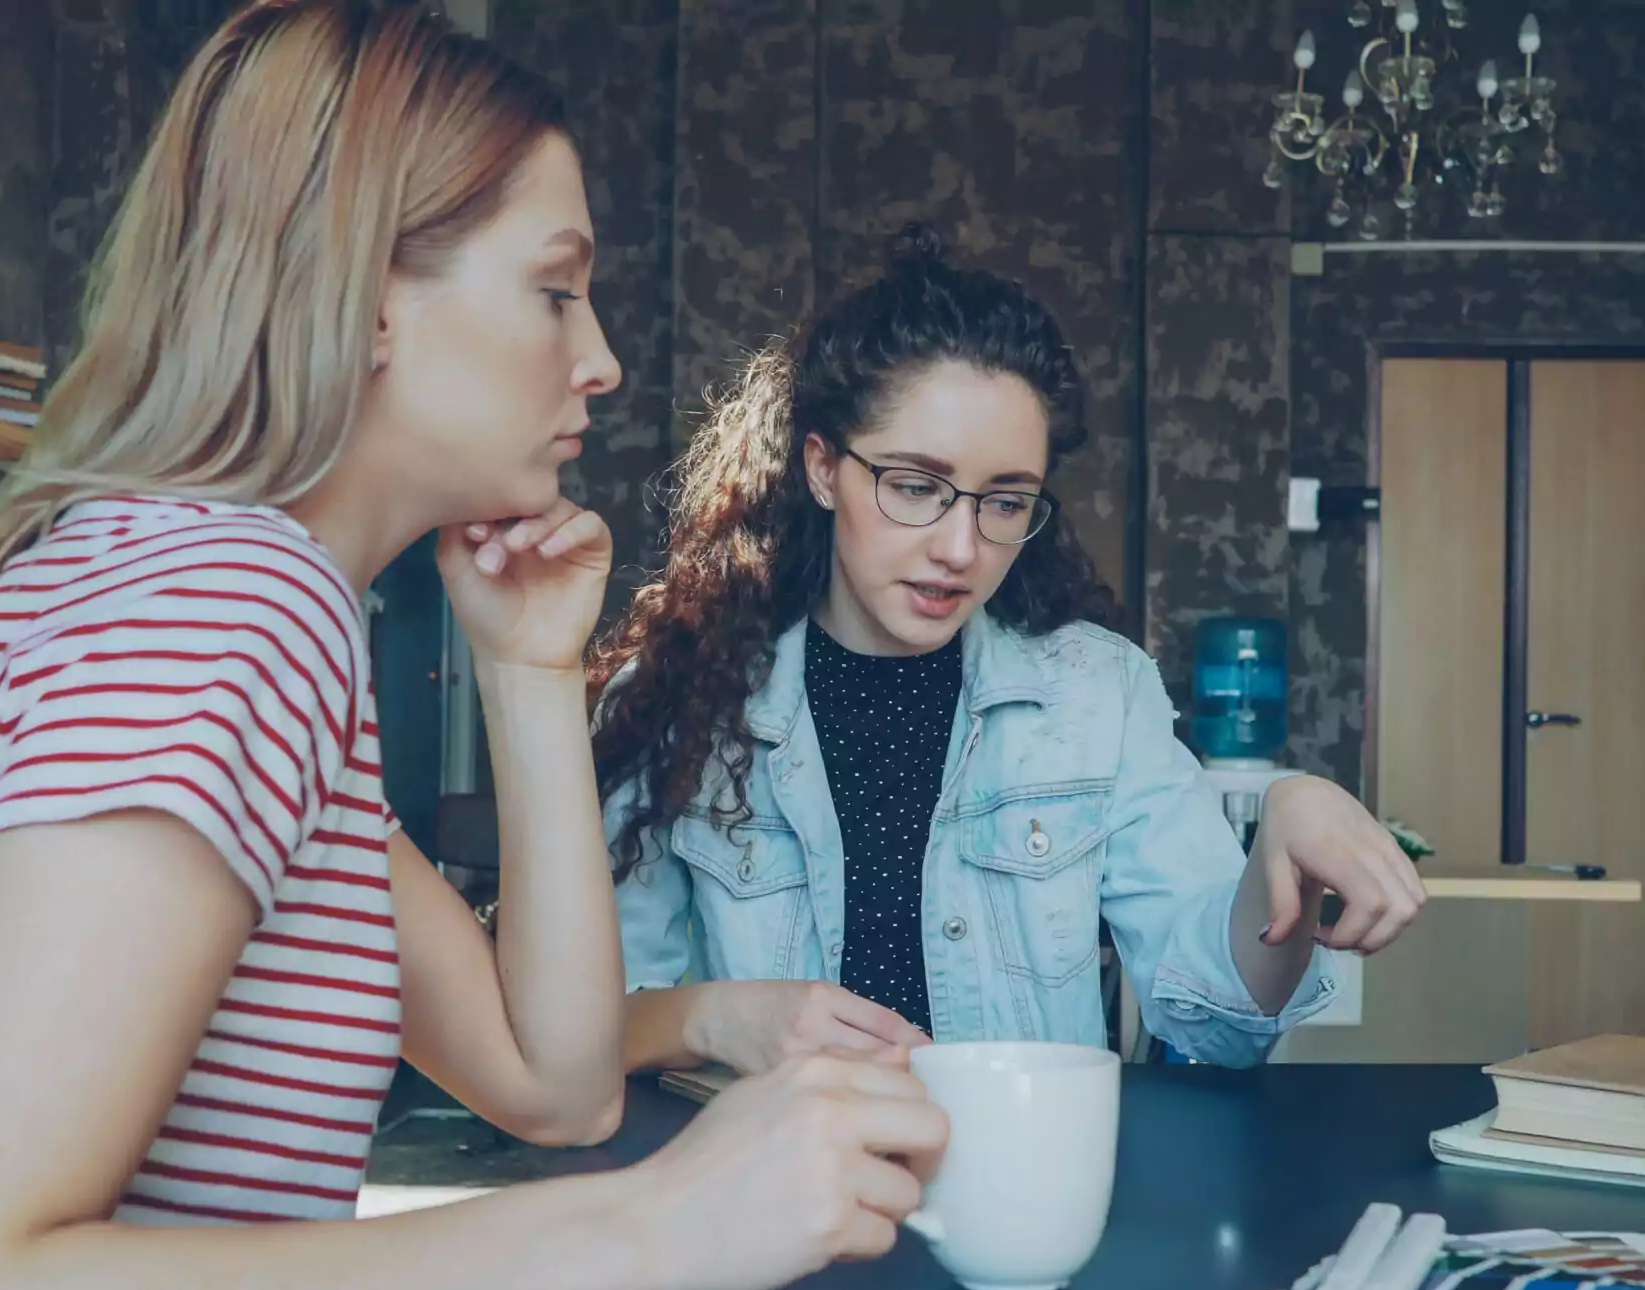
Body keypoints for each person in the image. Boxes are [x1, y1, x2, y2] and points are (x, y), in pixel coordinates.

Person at [0, 6, 944, 1290]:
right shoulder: (225, 607)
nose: (598, 360)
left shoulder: (219, 595)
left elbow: (557, 1079)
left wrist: (530, 676)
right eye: (554, 291)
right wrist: (651, 1228)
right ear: (372, 299)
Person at [595, 227, 1427, 1078]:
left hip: (1026, 1194)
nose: (961, 546)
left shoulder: (1100, 696)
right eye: (915, 487)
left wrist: (1282, 843)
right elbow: (578, 1038)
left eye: (1005, 501)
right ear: (821, 468)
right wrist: (714, 1017)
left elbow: (1219, 1027)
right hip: (775, 1195)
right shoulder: (682, 700)